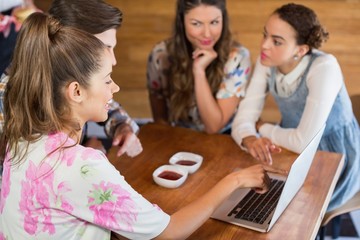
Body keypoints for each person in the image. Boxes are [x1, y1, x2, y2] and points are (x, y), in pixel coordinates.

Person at [0, 12, 271, 239]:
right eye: (107, 80)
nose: (115, 87)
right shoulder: (81, 166)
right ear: (76, 91)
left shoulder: (22, 136)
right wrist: (236, 179)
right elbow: (170, 232)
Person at [231, 3, 360, 212]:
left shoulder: (324, 67)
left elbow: (303, 142)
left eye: (276, 41)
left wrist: (262, 127)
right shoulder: (267, 60)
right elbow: (244, 117)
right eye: (265, 35)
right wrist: (250, 138)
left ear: (301, 50)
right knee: (253, 198)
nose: (264, 45)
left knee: (292, 210)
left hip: (334, 156)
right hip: (288, 145)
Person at [0, 0, 142, 158]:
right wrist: (82, 158)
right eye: (105, 47)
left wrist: (121, 125)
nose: (114, 60)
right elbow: (14, 170)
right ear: (68, 43)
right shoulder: (10, 93)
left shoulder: (67, 70)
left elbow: (98, 97)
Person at [147, 0, 252, 134]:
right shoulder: (160, 55)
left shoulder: (238, 57)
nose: (207, 34)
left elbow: (213, 127)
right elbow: (161, 120)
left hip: (226, 136)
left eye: (214, 22)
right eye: (196, 24)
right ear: (182, 22)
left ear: (223, 20)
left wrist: (199, 71)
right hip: (178, 134)